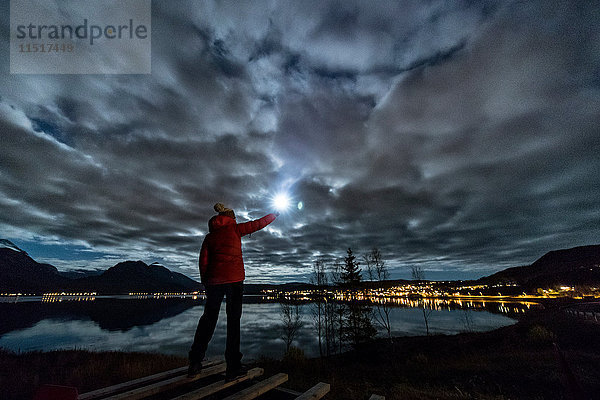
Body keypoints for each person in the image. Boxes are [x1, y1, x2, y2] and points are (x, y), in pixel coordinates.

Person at [188, 202, 279, 380]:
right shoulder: (236, 229)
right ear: (231, 218)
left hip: (214, 282)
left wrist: (206, 282)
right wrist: (274, 215)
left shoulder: (209, 237)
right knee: (233, 323)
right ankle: (233, 368)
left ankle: (195, 362)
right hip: (235, 281)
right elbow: (258, 224)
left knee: (208, 319)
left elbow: (203, 261)